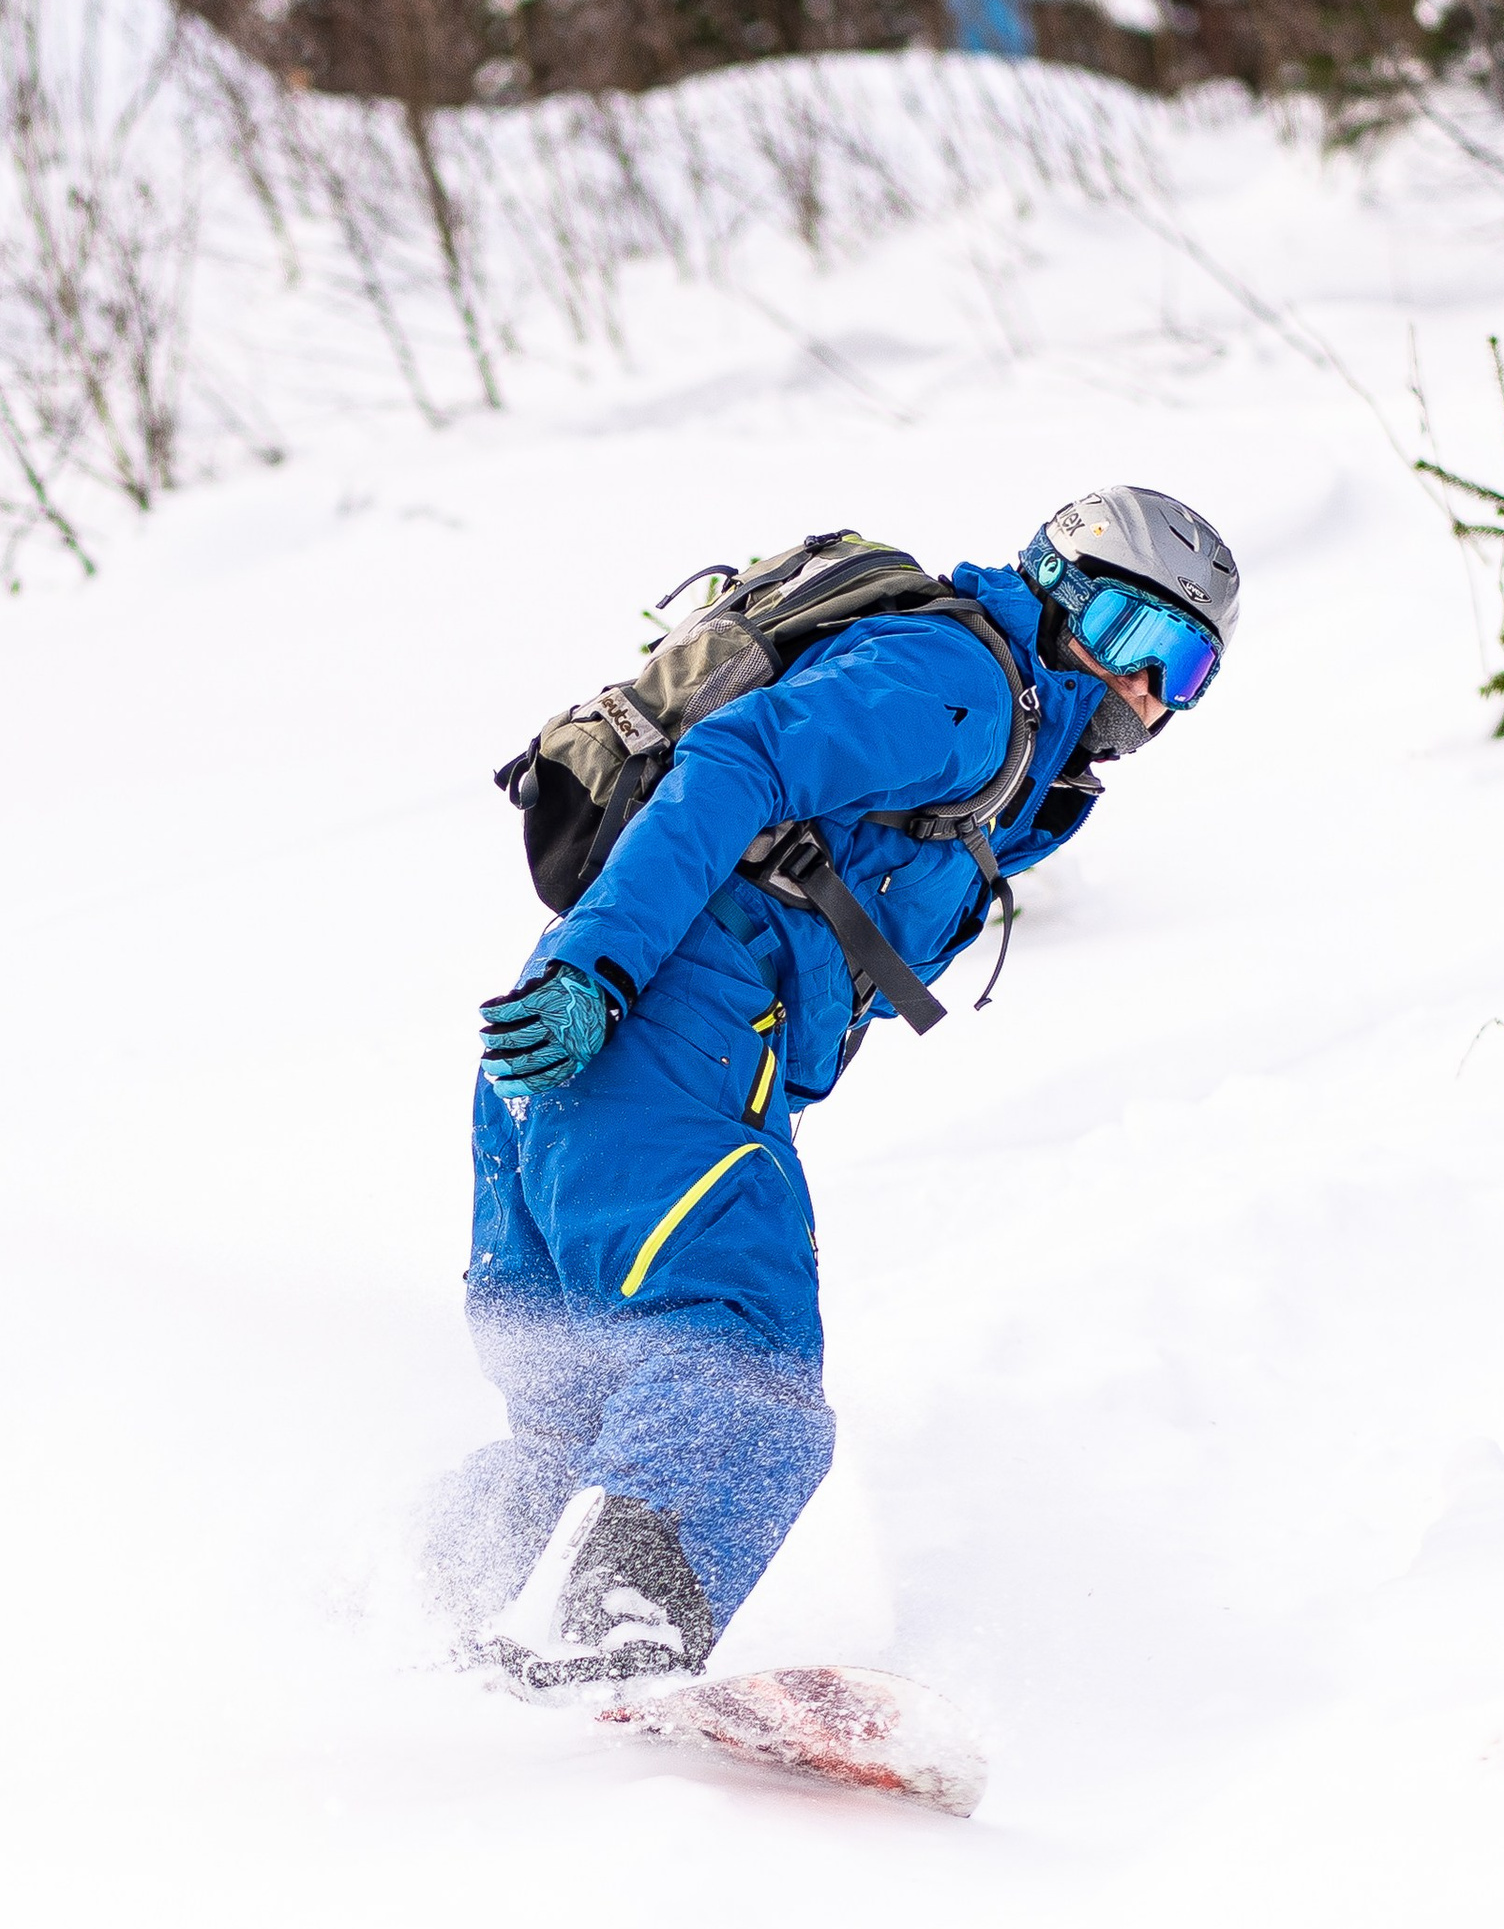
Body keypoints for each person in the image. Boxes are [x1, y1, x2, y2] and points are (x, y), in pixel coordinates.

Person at [431, 485, 1239, 1690]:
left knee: (575, 1419)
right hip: (655, 1037)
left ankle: (400, 1612)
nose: (1143, 687)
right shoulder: (958, 685)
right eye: (1132, 637)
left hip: (569, 1067)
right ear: (1062, 593)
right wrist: (597, 969)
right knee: (743, 1379)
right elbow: (731, 764)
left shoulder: (1010, 744)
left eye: (1183, 668)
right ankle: (615, 1648)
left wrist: (589, 980)